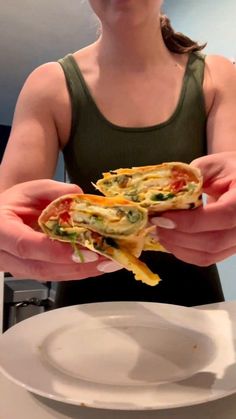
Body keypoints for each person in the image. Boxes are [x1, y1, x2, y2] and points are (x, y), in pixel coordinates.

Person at [0, 0, 236, 307]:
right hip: (79, 313)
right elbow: (12, 205)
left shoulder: (217, 76)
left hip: (196, 308)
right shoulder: (49, 85)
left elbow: (228, 184)